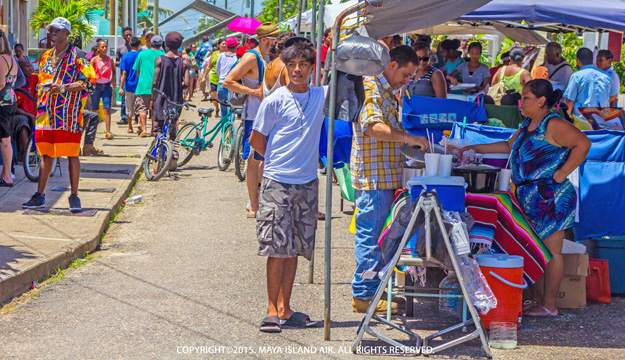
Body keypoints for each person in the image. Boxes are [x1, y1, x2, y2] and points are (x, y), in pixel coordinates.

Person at [460, 79, 591, 317]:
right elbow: (508, 146)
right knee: (535, 248)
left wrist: (561, 173)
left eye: (527, 98)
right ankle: (539, 301)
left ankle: (549, 305)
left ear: (541, 101)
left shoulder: (553, 124)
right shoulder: (527, 125)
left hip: (550, 195)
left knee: (551, 251)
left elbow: (583, 143)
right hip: (528, 195)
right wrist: (475, 148)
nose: (521, 102)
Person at [249, 38, 324, 333]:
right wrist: (278, 161)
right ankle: (270, 309)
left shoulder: (320, 96)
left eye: (302, 65)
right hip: (277, 182)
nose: (297, 70)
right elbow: (256, 139)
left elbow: (349, 87)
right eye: (291, 65)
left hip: (307, 183)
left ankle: (286, 307)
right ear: (284, 68)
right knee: (275, 248)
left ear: (311, 68)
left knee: (295, 248)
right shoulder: (275, 100)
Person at [350, 45, 430, 314]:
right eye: (406, 75)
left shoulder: (385, 90)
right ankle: (363, 294)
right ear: (392, 65)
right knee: (369, 238)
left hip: (383, 176)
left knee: (376, 238)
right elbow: (374, 128)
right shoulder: (372, 85)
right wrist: (409, 138)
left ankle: (372, 290)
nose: (407, 81)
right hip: (373, 177)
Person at [22, 17, 96, 210]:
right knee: (46, 154)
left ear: (67, 33)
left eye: (57, 29)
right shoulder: (46, 55)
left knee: (72, 154)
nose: (52, 32)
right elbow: (41, 80)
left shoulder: (78, 55)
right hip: (46, 112)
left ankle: (74, 196)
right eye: (51, 29)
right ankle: (40, 195)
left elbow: (89, 83)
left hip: (68, 114)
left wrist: (62, 88)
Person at [224, 23, 280, 218]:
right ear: (265, 39)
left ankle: (260, 199)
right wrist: (254, 91)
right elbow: (228, 81)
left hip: (271, 117)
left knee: (267, 159)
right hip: (253, 116)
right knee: (252, 160)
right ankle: (254, 206)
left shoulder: (268, 58)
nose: (277, 41)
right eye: (275, 38)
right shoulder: (251, 57)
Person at [151, 31, 190, 144]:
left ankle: (159, 150)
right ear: (179, 45)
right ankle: (172, 150)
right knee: (173, 126)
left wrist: (153, 99)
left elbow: (154, 83)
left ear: (166, 45)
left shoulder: (160, 60)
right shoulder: (184, 63)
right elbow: (187, 84)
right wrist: (177, 86)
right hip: (176, 99)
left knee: (158, 128)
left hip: (161, 97)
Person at [563, 47, 612, 115]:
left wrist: (565, 120)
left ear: (578, 61)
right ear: (592, 59)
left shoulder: (576, 77)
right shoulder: (606, 77)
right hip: (602, 121)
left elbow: (569, 102)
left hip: (583, 121)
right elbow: (613, 97)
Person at [133, 35, 165, 137]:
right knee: (155, 108)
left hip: (143, 85)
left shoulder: (142, 54)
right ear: (161, 45)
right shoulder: (163, 55)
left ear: (150, 43)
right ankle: (153, 130)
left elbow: (137, 69)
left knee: (142, 108)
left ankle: (144, 129)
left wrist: (142, 78)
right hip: (158, 87)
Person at [0, 29, 18, 187]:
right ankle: (7, 174)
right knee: (7, 139)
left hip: (2, 102)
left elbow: (0, 83)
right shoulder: (11, 59)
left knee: (4, 140)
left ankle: (6, 176)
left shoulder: (0, 59)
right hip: (11, 100)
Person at [90, 39, 116, 140]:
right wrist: (92, 80)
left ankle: (108, 131)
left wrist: (112, 81)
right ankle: (92, 131)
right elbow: (89, 72)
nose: (104, 49)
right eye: (102, 47)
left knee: (107, 108)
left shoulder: (110, 59)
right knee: (94, 109)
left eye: (105, 47)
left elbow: (114, 71)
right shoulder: (94, 60)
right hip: (97, 86)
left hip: (107, 86)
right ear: (98, 48)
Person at [13, 58, 37, 158]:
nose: (31, 68)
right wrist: (30, 115)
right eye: (27, 66)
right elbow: (14, 108)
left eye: (30, 65)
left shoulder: (34, 78)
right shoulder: (15, 84)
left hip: (34, 113)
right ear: (20, 70)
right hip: (18, 115)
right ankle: (26, 154)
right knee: (23, 121)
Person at [118, 36, 142, 134]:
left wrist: (120, 87)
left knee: (129, 107)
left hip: (129, 86)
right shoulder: (141, 55)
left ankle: (130, 127)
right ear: (139, 44)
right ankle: (140, 124)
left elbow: (123, 73)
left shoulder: (125, 56)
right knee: (140, 106)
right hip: (140, 86)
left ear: (130, 44)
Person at [203, 38, 226, 118]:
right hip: (214, 78)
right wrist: (204, 76)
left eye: (225, 44)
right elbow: (209, 66)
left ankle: (223, 112)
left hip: (224, 79)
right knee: (213, 96)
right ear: (218, 45)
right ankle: (217, 108)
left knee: (223, 97)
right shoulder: (214, 53)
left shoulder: (228, 54)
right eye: (222, 44)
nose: (224, 45)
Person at [215, 37, 238, 118]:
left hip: (221, 83)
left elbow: (217, 71)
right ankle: (230, 129)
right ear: (236, 46)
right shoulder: (237, 57)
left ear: (227, 46)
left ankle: (224, 128)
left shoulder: (221, 56)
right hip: (232, 84)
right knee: (231, 107)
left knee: (223, 108)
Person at [115, 26, 133, 125]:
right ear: (123, 36)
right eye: (126, 35)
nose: (128, 36)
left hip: (134, 74)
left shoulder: (135, 48)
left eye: (130, 34)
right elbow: (116, 62)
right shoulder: (120, 48)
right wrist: (123, 62)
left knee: (135, 96)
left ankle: (135, 116)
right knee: (123, 95)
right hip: (123, 74)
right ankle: (124, 116)